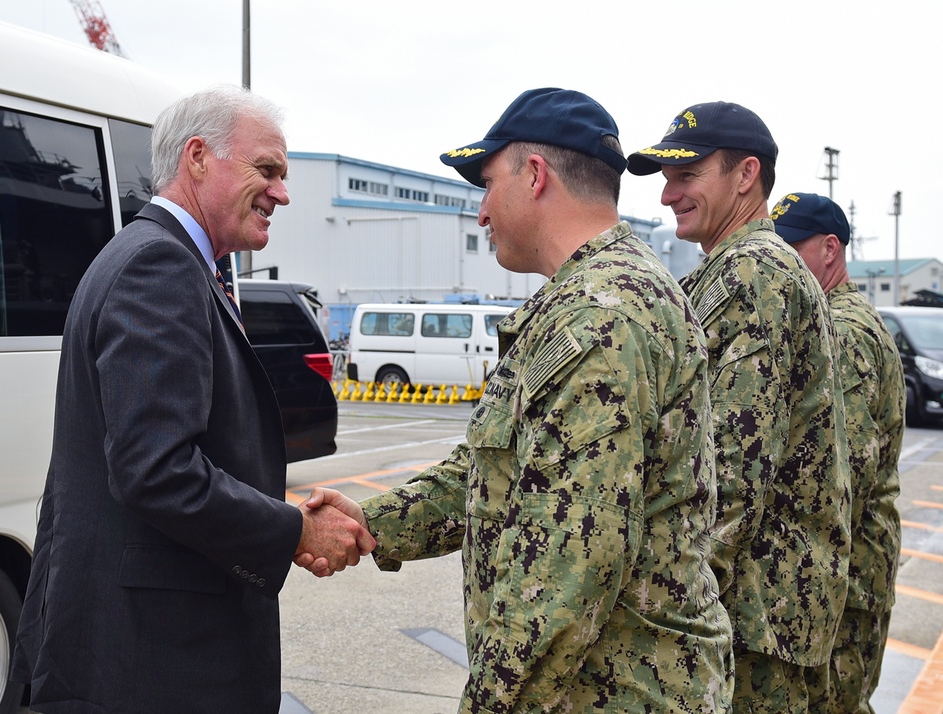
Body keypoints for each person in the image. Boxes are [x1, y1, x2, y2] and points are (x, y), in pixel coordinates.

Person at [301, 87, 734, 712]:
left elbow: (568, 570)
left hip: (615, 692)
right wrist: (371, 523)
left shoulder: (600, 318)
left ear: (534, 176)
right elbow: (500, 472)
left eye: (486, 183)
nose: (481, 211)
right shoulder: (589, 300)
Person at [10, 85, 375, 713]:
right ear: (199, 158)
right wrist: (293, 530)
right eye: (267, 170)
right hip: (155, 659)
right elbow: (157, 470)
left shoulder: (151, 258)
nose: (282, 193)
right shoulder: (161, 268)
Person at [626, 102, 851, 712]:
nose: (669, 195)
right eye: (666, 179)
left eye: (686, 176)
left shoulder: (752, 272)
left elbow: (728, 470)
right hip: (765, 607)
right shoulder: (740, 268)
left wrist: (667, 608)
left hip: (755, 616)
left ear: (746, 175)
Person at [772, 192, 905, 713]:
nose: (780, 265)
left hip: (847, 580)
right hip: (846, 570)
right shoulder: (832, 318)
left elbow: (838, 475)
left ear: (830, 249)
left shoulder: (842, 333)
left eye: (792, 250)